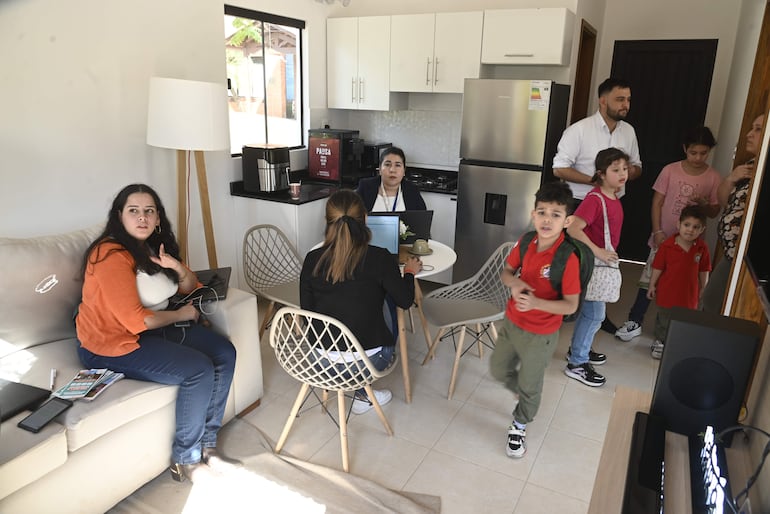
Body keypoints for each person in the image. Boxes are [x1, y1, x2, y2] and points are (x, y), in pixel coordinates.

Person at [75, 184, 238, 483]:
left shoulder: (152, 245)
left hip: (151, 329)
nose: (142, 218)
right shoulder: (109, 254)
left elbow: (191, 287)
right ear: (118, 217)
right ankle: (186, 460)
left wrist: (175, 266)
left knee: (224, 352)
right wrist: (182, 315)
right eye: (133, 211)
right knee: (198, 370)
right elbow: (138, 322)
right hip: (110, 342)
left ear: (158, 217)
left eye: (149, 211)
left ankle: (208, 444)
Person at [300, 189, 422, 414]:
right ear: (365, 219)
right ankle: (363, 394)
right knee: (387, 300)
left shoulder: (312, 259)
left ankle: (361, 393)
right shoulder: (380, 257)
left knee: (357, 298)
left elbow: (306, 313)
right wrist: (410, 273)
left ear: (327, 222)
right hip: (368, 364)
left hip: (321, 362)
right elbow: (405, 301)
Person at [491, 181, 581, 459]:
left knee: (531, 385)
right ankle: (524, 393)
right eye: (542, 212)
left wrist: (536, 303)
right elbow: (506, 272)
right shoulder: (527, 241)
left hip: (541, 334)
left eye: (556, 214)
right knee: (497, 370)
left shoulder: (568, 258)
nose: (547, 219)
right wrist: (515, 284)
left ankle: (519, 424)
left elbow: (570, 305)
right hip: (512, 322)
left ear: (567, 221)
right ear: (533, 214)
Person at [553, 77, 642, 336]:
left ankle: (595, 315)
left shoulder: (629, 131)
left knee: (602, 262)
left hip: (612, 204)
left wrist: (623, 174)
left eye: (628, 99)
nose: (626, 104)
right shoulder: (579, 130)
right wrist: (595, 180)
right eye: (620, 99)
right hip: (582, 203)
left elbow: (637, 165)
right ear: (603, 101)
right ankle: (566, 312)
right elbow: (559, 167)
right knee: (576, 264)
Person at [615, 126, 721, 341]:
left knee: (681, 286)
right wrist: (658, 231)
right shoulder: (670, 170)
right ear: (685, 149)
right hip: (663, 239)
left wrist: (704, 204)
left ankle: (672, 330)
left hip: (691, 244)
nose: (698, 158)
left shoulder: (713, 177)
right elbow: (657, 202)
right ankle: (635, 320)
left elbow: (714, 211)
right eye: (693, 152)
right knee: (649, 279)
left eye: (703, 153)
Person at [564, 148, 629, 387]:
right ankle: (577, 364)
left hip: (597, 264)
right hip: (592, 264)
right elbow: (573, 228)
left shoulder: (613, 197)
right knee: (595, 314)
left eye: (624, 168)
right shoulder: (595, 199)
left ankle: (577, 351)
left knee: (590, 313)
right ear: (601, 174)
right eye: (616, 170)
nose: (622, 173)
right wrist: (599, 251)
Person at [701, 114, 765, 313]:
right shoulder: (749, 165)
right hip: (732, 254)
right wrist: (731, 178)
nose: (748, 135)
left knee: (715, 300)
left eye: (757, 129)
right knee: (712, 299)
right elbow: (724, 202)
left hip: (750, 260)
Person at [647, 205, 711, 358]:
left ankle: (678, 343)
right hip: (667, 292)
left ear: (702, 230)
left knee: (686, 319)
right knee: (664, 318)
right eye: (687, 225)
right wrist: (652, 285)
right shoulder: (667, 245)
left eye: (696, 227)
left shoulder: (702, 248)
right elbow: (658, 267)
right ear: (678, 224)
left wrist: (704, 288)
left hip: (689, 294)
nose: (690, 230)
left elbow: (704, 269)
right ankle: (660, 342)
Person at [356, 146, 427, 212]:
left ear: (404, 171)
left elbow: (422, 220)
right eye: (387, 164)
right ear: (380, 169)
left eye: (398, 165)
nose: (392, 170)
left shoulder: (412, 191)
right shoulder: (365, 187)